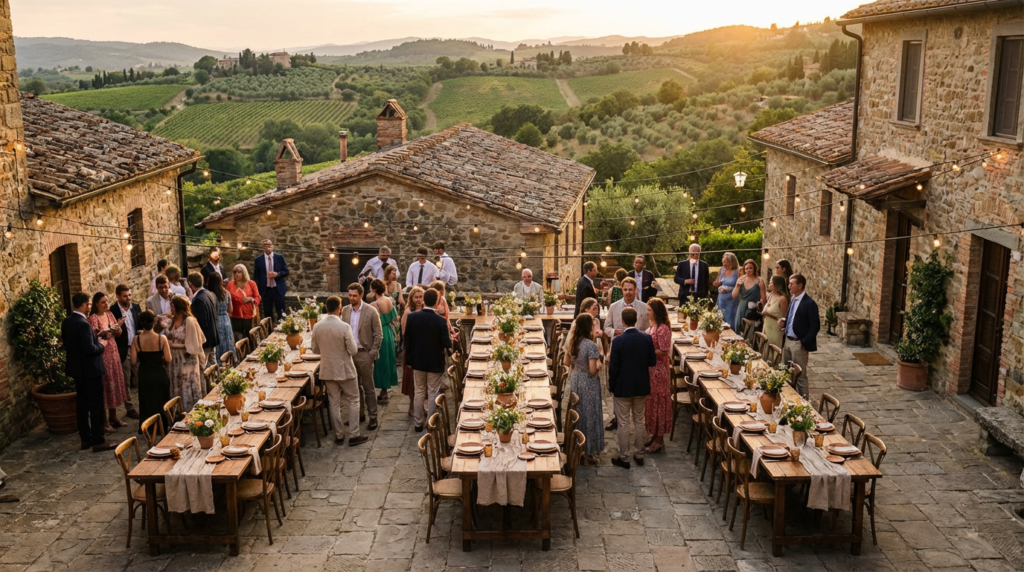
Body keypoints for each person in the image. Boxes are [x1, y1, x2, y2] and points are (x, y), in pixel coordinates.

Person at [62, 292, 117, 452]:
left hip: (77, 371)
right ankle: (98, 440)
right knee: (96, 406)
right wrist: (102, 343)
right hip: (91, 371)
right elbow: (90, 349)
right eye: (88, 305)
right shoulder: (84, 324)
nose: (89, 308)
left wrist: (95, 335)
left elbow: (74, 344)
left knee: (82, 406)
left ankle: (85, 439)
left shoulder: (67, 322)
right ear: (84, 305)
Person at [312, 296, 368, 446]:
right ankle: (354, 434)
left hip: (328, 369)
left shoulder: (317, 326)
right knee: (354, 399)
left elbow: (315, 349)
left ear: (326, 307)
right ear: (339, 308)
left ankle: (339, 435)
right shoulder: (344, 327)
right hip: (345, 369)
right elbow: (353, 350)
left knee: (334, 402)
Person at [608, 307, 657, 470]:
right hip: (641, 385)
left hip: (623, 386)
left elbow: (613, 367)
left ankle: (624, 456)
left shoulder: (618, 341)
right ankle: (639, 453)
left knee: (623, 423)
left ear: (622, 321)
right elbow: (652, 362)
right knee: (639, 420)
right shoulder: (646, 339)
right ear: (636, 320)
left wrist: (611, 385)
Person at [404, 288, 452, 432]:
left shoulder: (412, 317)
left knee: (419, 391)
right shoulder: (440, 321)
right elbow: (446, 343)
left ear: (424, 300)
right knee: (432, 392)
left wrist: (410, 360)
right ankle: (431, 423)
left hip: (418, 361)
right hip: (434, 362)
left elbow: (407, 340)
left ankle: (418, 423)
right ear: (437, 301)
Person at [564, 312, 604, 465]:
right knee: (590, 414)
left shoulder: (573, 343)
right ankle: (588, 452)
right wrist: (600, 365)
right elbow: (592, 370)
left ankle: (577, 448)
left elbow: (567, 363)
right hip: (588, 382)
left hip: (576, 379)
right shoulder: (590, 345)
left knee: (579, 413)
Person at [342, 283, 383, 431]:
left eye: (354, 295)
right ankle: (358, 415)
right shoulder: (345, 311)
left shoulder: (371, 311)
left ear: (360, 295)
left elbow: (378, 334)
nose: (351, 298)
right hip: (349, 354)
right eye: (350, 295)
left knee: (368, 388)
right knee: (353, 388)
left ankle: (373, 417)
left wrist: (372, 352)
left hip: (364, 353)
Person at [88, 292, 128, 433]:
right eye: (103, 302)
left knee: (114, 384)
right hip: (103, 355)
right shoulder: (93, 319)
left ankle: (114, 416)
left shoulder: (109, 314)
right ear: (96, 304)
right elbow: (95, 336)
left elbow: (118, 334)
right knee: (106, 386)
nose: (106, 304)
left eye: (107, 301)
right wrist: (110, 330)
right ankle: (104, 421)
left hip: (113, 353)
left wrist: (117, 328)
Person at [130, 310, 171, 434]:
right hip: (159, 373)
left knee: (146, 400)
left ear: (141, 323)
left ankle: (147, 426)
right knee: (161, 399)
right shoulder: (161, 338)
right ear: (155, 322)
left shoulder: (136, 340)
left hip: (145, 373)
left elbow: (133, 361)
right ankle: (162, 426)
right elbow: (168, 358)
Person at [165, 295, 207, 412]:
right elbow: (169, 335)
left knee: (187, 385)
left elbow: (193, 344)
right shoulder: (173, 320)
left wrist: (174, 345)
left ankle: (191, 411)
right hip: (174, 360)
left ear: (178, 306)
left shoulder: (189, 321)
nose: (171, 308)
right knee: (176, 385)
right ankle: (178, 412)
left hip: (187, 359)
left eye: (172, 305)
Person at [781, 274, 819, 399]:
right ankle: (787, 399)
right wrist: (785, 323)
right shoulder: (793, 298)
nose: (789, 286)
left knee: (800, 375)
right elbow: (793, 317)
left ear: (800, 285)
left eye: (791, 284)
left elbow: (815, 326)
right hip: (787, 340)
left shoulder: (809, 303)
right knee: (785, 372)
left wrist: (804, 342)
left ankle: (804, 403)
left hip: (798, 343)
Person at [644, 299, 672, 454]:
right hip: (651, 370)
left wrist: (647, 351)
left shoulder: (663, 329)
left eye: (649, 310)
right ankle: (654, 435)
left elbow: (664, 350)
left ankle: (659, 440)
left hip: (659, 371)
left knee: (660, 404)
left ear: (656, 311)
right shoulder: (653, 325)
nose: (647, 312)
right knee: (652, 402)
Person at [109, 285, 141, 421]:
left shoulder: (136, 307)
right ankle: (130, 407)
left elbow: (139, 326)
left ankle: (142, 404)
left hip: (137, 348)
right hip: (123, 349)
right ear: (117, 296)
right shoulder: (112, 311)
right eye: (125, 296)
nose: (128, 298)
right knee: (126, 380)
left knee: (139, 377)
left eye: (129, 295)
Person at [369, 279, 399, 404]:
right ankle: (385, 390)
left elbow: (373, 323)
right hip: (389, 332)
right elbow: (395, 317)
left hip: (380, 333)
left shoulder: (374, 305)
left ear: (374, 290)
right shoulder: (389, 300)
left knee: (380, 363)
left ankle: (383, 392)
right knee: (388, 360)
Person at [187, 272, 220, 374]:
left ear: (191, 284)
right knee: (213, 365)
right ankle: (217, 384)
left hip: (206, 340)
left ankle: (210, 388)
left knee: (204, 368)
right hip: (213, 335)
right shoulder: (210, 294)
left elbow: (202, 323)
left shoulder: (198, 300)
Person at [401, 286, 425, 417]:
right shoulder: (408, 311)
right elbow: (405, 332)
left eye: (421, 297)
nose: (419, 300)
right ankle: (412, 405)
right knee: (411, 380)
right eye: (416, 297)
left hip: (423, 349)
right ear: (412, 298)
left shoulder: (426, 309)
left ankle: (421, 406)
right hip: (412, 348)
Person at [604, 278, 649, 344]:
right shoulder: (613, 307)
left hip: (638, 345)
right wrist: (614, 332)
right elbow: (606, 328)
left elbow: (648, 329)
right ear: (622, 290)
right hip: (618, 345)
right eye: (625, 289)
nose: (627, 292)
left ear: (635, 290)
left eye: (630, 289)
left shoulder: (644, 307)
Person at [252, 239, 289, 320]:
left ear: (272, 246)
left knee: (282, 313)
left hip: (278, 289)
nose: (267, 247)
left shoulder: (279, 257)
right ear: (263, 247)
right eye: (265, 245)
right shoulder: (258, 260)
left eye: (269, 245)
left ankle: (283, 330)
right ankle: (269, 331)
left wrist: (277, 274)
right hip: (266, 291)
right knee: (267, 313)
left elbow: (286, 272)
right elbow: (256, 276)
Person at [226, 264, 261, 343]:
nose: (236, 274)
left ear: (244, 273)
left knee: (249, 334)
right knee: (237, 335)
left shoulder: (251, 283)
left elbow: (257, 297)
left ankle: (250, 351)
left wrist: (251, 299)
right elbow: (226, 298)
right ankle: (239, 353)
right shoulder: (230, 284)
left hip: (248, 313)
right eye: (235, 272)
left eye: (239, 272)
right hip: (235, 313)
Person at [208, 274, 235, 365]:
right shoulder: (226, 293)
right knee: (228, 341)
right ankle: (230, 361)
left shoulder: (210, 295)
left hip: (215, 320)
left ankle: (219, 363)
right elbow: (230, 309)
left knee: (219, 344)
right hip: (226, 319)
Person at [732, 259, 766, 330]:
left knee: (750, 331)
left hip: (752, 310)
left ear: (754, 268)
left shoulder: (759, 281)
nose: (748, 270)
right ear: (744, 269)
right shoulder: (741, 279)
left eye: (750, 268)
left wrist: (759, 303)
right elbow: (734, 296)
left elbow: (763, 299)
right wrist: (737, 286)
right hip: (741, 308)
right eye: (746, 268)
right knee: (739, 327)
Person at [761, 275, 790, 350]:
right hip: (767, 325)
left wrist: (768, 314)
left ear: (777, 285)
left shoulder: (782, 298)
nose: (769, 285)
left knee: (772, 349)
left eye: (771, 283)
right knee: (764, 347)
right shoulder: (771, 294)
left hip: (775, 328)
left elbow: (784, 319)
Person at [715, 253, 741, 330]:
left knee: (730, 320)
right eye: (723, 262)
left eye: (726, 262)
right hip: (721, 299)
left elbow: (740, 286)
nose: (724, 264)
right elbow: (718, 281)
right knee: (720, 318)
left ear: (732, 262)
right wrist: (717, 283)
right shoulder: (722, 270)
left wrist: (729, 289)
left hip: (732, 300)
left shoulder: (738, 271)